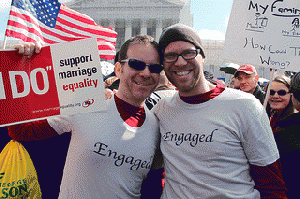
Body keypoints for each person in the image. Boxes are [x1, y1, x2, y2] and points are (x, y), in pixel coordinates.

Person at [8, 35, 164, 199]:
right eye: (136, 64)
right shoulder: (85, 102)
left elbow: (151, 187)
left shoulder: (156, 125)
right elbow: (21, 131)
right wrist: (19, 69)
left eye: (154, 68)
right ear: (118, 69)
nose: (146, 73)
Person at [154, 23, 287, 198]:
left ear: (202, 56)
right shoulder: (161, 110)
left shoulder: (246, 106)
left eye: (188, 53)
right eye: (170, 56)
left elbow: (272, 184)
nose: (180, 62)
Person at [273, 72, 300, 198]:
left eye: (282, 92)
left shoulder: (284, 134)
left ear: (293, 97)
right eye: (271, 92)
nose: (275, 96)